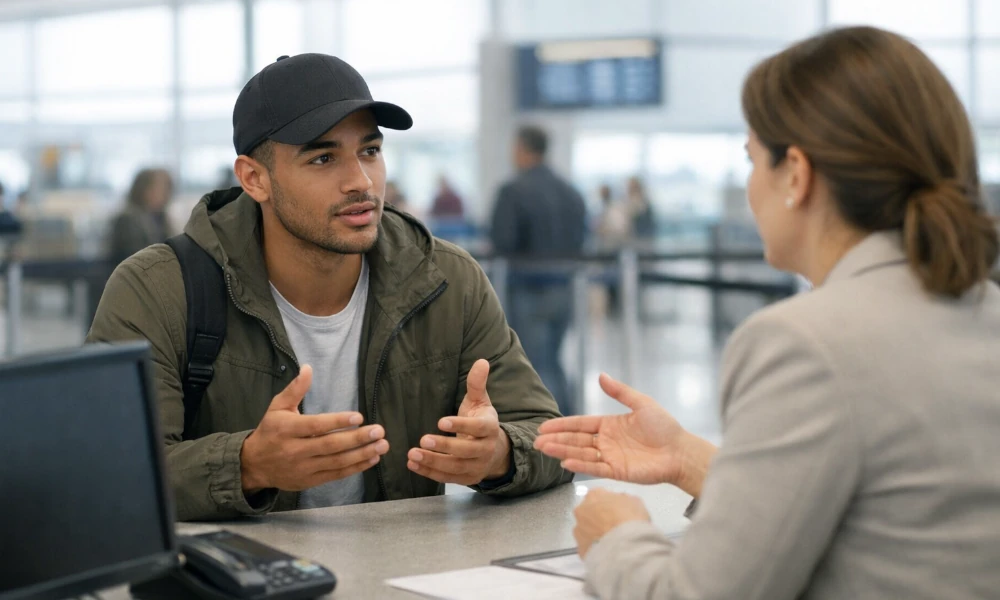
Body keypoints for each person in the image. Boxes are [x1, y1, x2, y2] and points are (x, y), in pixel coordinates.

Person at [535, 26, 1000, 599]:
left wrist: (616, 537)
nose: (752, 186)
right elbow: (894, 517)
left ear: (797, 175)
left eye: (753, 160)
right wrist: (686, 457)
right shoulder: (981, 309)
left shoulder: (805, 342)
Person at [88, 53, 570, 521]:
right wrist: (248, 464)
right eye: (322, 158)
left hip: (399, 572)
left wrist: (501, 454)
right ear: (255, 179)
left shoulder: (445, 279)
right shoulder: (157, 289)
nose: (360, 181)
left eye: (370, 151)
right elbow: (109, 474)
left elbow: (551, 439)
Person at [490, 125, 587, 415]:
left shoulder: (513, 191)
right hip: (565, 288)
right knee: (553, 360)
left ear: (522, 148)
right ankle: (570, 421)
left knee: (535, 363)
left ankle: (553, 431)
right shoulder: (571, 191)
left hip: (528, 289)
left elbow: (501, 241)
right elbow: (582, 238)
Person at [107, 168, 176, 266]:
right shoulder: (127, 219)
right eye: (160, 188)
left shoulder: (162, 218)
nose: (166, 194)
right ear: (144, 190)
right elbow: (135, 258)